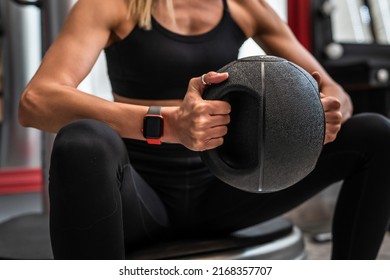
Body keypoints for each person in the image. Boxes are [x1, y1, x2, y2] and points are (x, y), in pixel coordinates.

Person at [18, 0, 390, 260]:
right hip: (140, 199)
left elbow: (332, 88)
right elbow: (36, 101)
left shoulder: (245, 6)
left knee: (375, 133)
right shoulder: (113, 4)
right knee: (84, 141)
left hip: (227, 192)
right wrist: (169, 124)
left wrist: (326, 111)